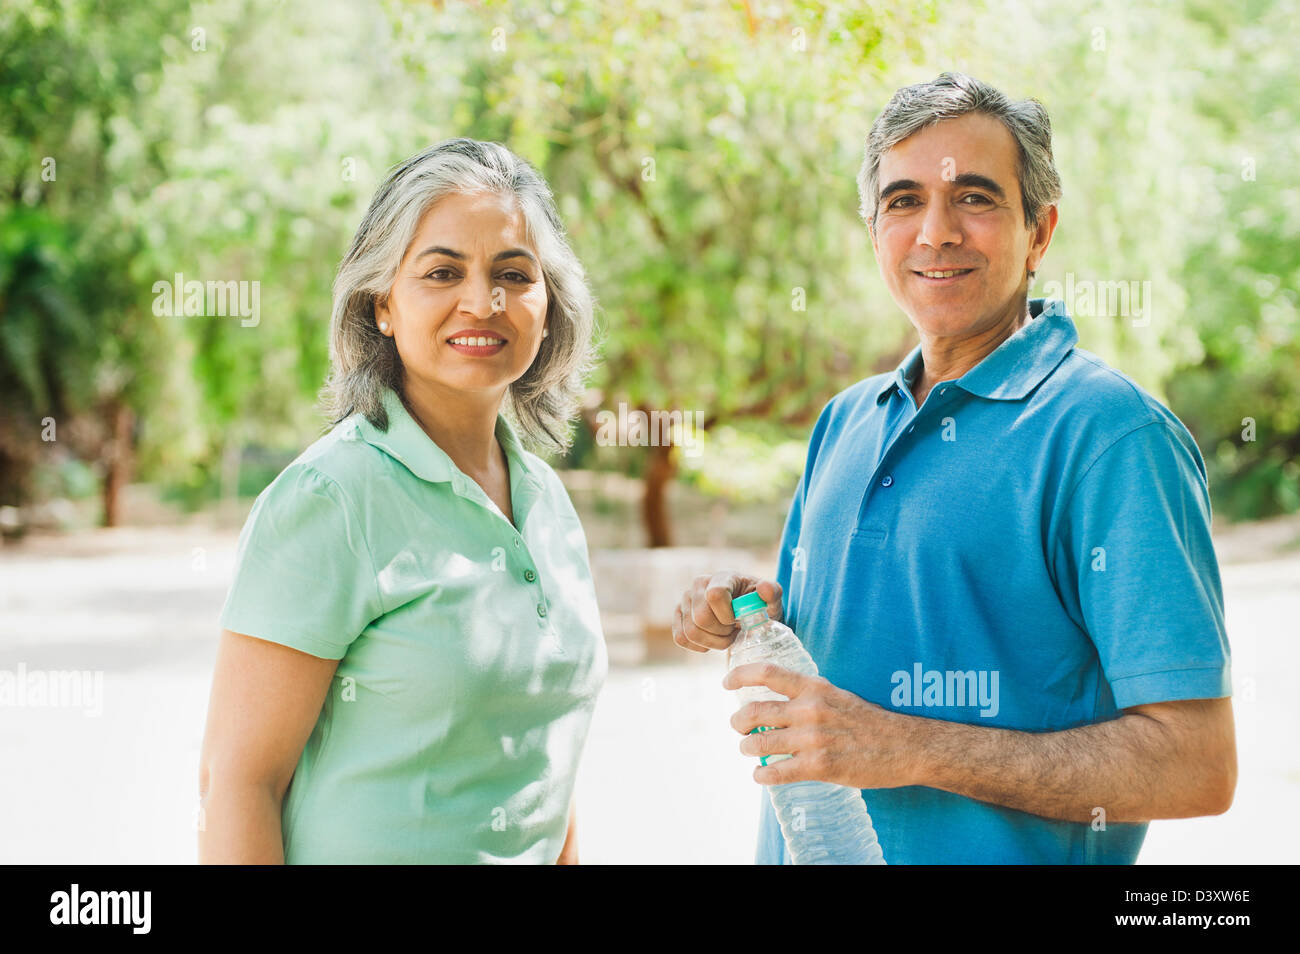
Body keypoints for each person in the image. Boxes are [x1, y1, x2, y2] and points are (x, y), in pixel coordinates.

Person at [673, 73, 1236, 864]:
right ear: (874, 231)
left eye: (973, 197)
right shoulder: (844, 422)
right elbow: (844, 665)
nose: (935, 233)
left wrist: (911, 746)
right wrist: (747, 611)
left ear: (1039, 232)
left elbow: (1196, 767)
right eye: (903, 201)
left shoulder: (1113, 436)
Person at [198, 139, 607, 864]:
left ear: (549, 306)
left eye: (514, 273)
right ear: (382, 304)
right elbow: (237, 783)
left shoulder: (547, 502)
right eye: (443, 272)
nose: (483, 301)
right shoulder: (331, 500)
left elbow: (543, 767)